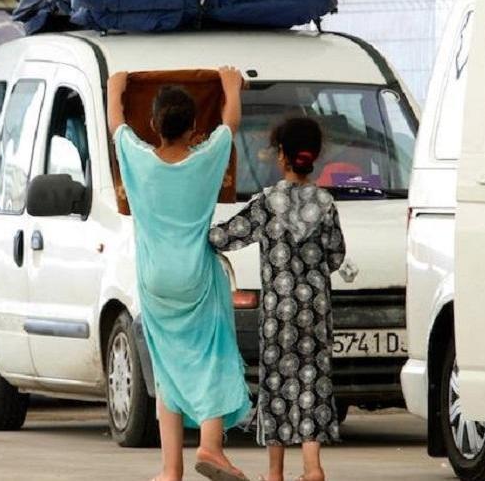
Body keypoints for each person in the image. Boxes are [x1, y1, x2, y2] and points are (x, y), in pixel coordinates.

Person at [109, 67, 252, 481]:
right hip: (196, 276)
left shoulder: (137, 160)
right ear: (194, 128)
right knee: (213, 357)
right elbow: (230, 123)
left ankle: (170, 469)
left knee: (167, 365)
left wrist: (116, 86)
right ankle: (211, 447)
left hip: (154, 281)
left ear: (153, 125)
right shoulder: (206, 161)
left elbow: (116, 124)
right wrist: (228, 84)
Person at [209, 117, 346, 481]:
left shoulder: (268, 202)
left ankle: (275, 473)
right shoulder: (326, 202)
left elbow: (225, 237)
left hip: (277, 314)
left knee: (276, 384)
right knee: (312, 381)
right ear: (314, 155)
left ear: (282, 156)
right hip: (316, 310)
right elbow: (336, 256)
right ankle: (313, 467)